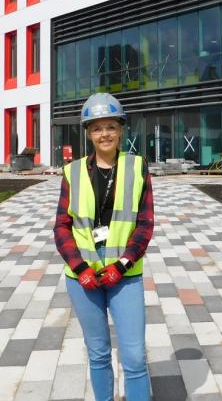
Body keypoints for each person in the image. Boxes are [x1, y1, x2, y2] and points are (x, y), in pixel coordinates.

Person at [53, 92, 154, 401]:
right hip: (84, 280)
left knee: (135, 358)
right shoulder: (72, 172)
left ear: (121, 129)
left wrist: (121, 264)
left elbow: (144, 224)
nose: (104, 134)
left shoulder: (137, 166)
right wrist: (80, 268)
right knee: (98, 354)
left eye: (110, 126)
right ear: (88, 133)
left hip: (125, 278)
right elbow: (61, 227)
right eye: (96, 128)